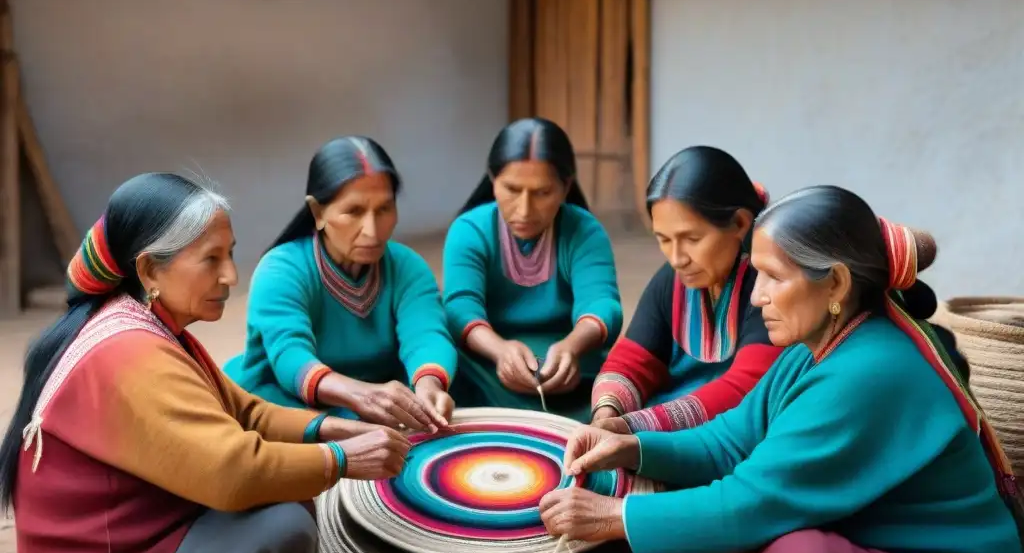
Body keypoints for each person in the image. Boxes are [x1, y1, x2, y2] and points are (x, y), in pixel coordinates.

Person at [538, 185, 1024, 553]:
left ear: (834, 283)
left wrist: (615, 518)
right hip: (864, 534)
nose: (756, 296)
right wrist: (635, 447)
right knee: (708, 520)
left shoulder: (871, 369)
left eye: (773, 277)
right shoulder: (816, 341)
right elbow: (731, 439)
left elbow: (752, 501)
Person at [1, 173, 411, 553]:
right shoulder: (130, 353)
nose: (231, 276)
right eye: (211, 260)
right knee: (285, 528)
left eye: (230, 253)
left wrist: (328, 428)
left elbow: (245, 412)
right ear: (150, 270)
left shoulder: (149, 321)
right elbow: (231, 472)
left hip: (138, 533)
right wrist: (341, 460)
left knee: (290, 492)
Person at [223, 136, 457, 433]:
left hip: (376, 398)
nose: (372, 230)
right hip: (290, 400)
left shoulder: (406, 267)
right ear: (318, 213)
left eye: (384, 209)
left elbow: (426, 334)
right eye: (354, 212)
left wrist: (429, 385)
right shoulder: (281, 271)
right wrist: (361, 395)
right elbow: (291, 358)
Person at [590, 146, 783, 433]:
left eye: (691, 238)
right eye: (664, 239)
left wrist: (633, 426)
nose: (677, 258)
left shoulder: (770, 285)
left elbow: (747, 388)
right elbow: (633, 359)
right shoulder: (674, 278)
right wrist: (608, 411)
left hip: (733, 433)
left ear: (740, 223)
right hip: (658, 425)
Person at [442, 117, 622, 422]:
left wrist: (571, 348)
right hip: (486, 371)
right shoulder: (469, 231)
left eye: (542, 193)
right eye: (512, 189)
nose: (524, 209)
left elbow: (603, 304)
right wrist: (500, 351)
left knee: (625, 386)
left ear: (565, 187)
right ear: (492, 180)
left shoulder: (584, 231)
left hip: (573, 374)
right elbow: (460, 308)